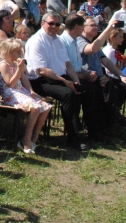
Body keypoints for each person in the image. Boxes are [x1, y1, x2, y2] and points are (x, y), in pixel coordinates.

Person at [24, 12, 88, 150]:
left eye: (57, 24)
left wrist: (76, 81)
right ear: (42, 23)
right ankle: (72, 138)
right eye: (51, 23)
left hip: (58, 77)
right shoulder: (36, 41)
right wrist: (66, 82)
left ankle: (94, 130)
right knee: (68, 94)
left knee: (87, 88)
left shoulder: (59, 40)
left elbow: (68, 64)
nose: (54, 27)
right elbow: (42, 70)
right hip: (40, 81)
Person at [0, 39, 52, 154]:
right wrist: (19, 69)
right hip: (10, 93)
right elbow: (10, 83)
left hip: (21, 91)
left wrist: (31, 91)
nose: (20, 54)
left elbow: (24, 79)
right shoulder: (4, 65)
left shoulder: (16, 63)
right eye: (17, 51)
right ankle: (26, 139)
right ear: (9, 52)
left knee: (46, 106)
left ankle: (34, 138)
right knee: (35, 107)